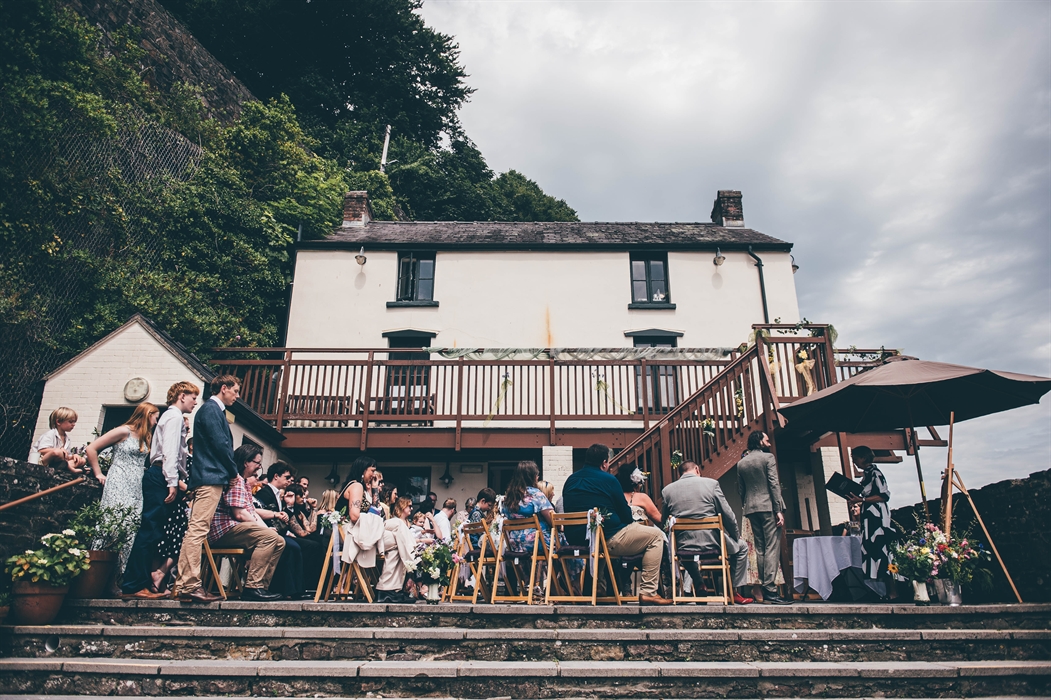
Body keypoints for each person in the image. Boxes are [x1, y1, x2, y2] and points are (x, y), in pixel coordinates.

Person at [562, 443, 670, 605]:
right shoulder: (609, 480)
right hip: (606, 537)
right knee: (656, 537)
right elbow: (626, 514)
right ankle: (648, 591)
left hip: (577, 538)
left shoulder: (570, 481)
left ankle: (598, 586)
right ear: (604, 463)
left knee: (600, 537)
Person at [121, 382, 198, 599]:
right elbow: (170, 453)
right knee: (150, 530)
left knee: (155, 531)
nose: (194, 403)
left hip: (161, 475)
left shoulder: (168, 417)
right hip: (161, 476)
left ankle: (141, 582)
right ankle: (134, 584)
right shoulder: (173, 417)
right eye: (193, 398)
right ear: (182, 396)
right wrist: (172, 482)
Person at [174, 375, 241, 604]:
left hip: (209, 476)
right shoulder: (212, 410)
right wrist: (233, 473)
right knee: (197, 530)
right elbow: (221, 444)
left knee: (196, 529)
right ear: (224, 388)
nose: (237, 396)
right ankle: (189, 584)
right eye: (235, 391)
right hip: (210, 477)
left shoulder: (211, 410)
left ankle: (186, 583)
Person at [661, 460, 753, 605]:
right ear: (697, 469)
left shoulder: (667, 490)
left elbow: (663, 521)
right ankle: (732, 591)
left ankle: (698, 583)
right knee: (742, 547)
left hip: (683, 544)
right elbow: (727, 514)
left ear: (680, 474)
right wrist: (735, 535)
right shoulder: (711, 484)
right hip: (712, 542)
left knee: (684, 549)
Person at [85, 402, 159, 576]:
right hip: (119, 479)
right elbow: (92, 448)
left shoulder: (146, 436)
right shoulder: (123, 431)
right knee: (113, 524)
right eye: (155, 418)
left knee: (130, 527)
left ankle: (118, 576)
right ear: (148, 415)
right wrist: (98, 473)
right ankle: (97, 575)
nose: (156, 422)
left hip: (136, 484)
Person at [207, 444, 285, 601]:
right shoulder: (235, 480)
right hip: (224, 530)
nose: (258, 467)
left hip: (237, 527)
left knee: (280, 541)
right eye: (257, 463)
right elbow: (240, 514)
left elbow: (251, 512)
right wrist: (265, 530)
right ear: (245, 462)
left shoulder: (244, 483)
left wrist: (266, 528)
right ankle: (253, 586)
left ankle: (263, 585)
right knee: (269, 538)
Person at [736, 430, 791, 605]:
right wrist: (778, 510)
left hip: (751, 508)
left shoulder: (742, 463)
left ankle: (765, 587)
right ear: (759, 441)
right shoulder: (768, 458)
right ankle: (770, 590)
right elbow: (773, 484)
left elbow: (741, 490)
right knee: (772, 548)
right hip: (768, 507)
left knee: (760, 548)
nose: (768, 442)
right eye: (766, 440)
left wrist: (747, 504)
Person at [848, 445, 893, 589]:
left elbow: (884, 495)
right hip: (869, 515)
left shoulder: (875, 473)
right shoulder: (867, 474)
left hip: (877, 516)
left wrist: (862, 500)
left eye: (855, 458)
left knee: (879, 548)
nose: (854, 461)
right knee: (871, 548)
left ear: (863, 457)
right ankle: (881, 590)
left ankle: (891, 591)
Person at [501, 461, 556, 552]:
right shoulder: (536, 494)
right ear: (532, 477)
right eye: (537, 475)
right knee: (561, 540)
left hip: (514, 544)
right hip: (536, 543)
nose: (538, 477)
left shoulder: (509, 498)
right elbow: (553, 520)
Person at [375, 497, 418, 603]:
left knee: (398, 547)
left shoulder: (407, 521)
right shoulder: (394, 517)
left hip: (386, 536)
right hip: (378, 531)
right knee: (399, 525)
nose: (412, 509)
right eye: (409, 506)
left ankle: (387, 589)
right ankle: (414, 557)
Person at [31, 407, 86, 473]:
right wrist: (58, 450)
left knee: (82, 460)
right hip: (43, 462)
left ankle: (65, 467)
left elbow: (65, 456)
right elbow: (41, 450)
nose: (73, 424)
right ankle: (71, 469)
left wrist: (73, 456)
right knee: (57, 452)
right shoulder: (50, 434)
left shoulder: (67, 439)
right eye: (70, 422)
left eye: (74, 422)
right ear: (58, 422)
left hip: (59, 462)